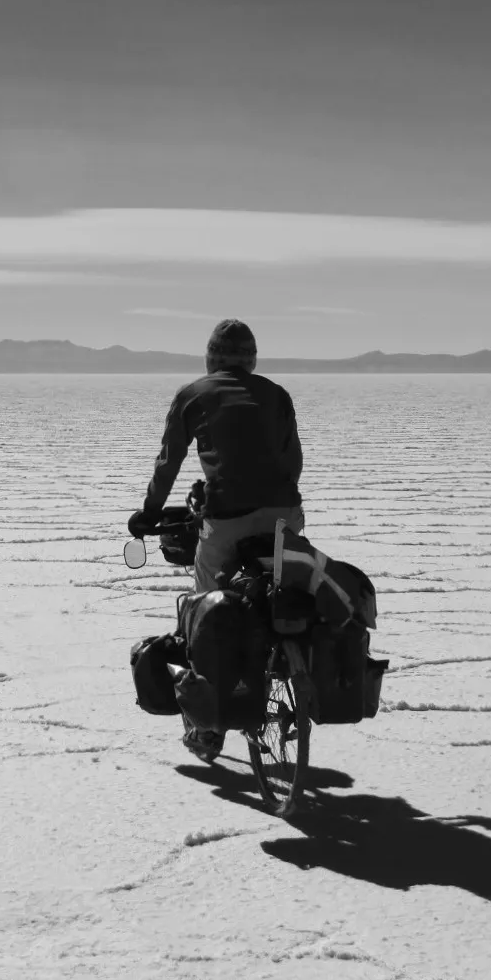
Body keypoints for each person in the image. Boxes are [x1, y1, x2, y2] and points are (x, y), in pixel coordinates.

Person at [128, 318, 305, 759]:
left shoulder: (194, 395)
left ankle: (207, 730)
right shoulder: (277, 395)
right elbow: (293, 461)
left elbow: (168, 463)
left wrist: (148, 515)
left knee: (205, 611)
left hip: (227, 521)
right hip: (286, 517)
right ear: (252, 360)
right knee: (282, 589)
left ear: (210, 359)